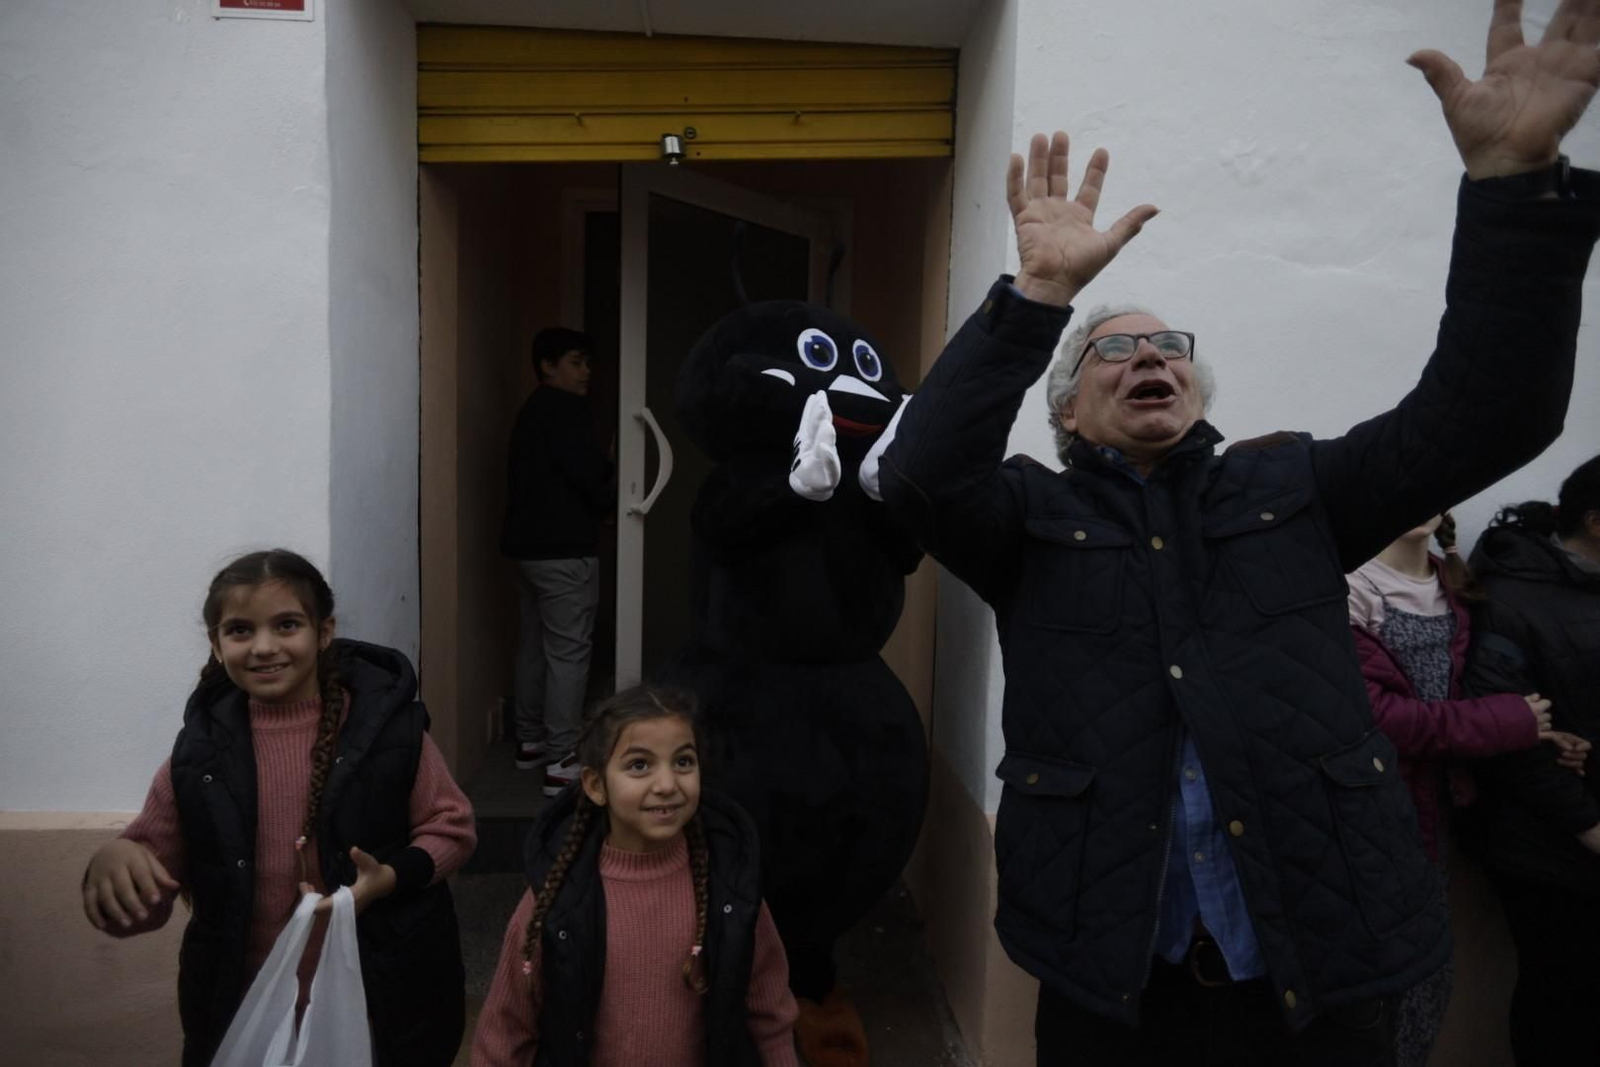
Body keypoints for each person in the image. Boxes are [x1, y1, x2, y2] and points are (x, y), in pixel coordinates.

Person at [876, 2, 1600, 1062]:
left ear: (1196, 385)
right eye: (1110, 354)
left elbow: (1490, 412)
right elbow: (918, 477)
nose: (1145, 356)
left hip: (1312, 961)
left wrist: (1512, 190)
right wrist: (1035, 300)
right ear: (1067, 411)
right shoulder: (1030, 514)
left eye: (1167, 345)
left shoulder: (1294, 484)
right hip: (1111, 970)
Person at [81, 549, 477, 1067]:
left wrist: (389, 878)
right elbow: (143, 895)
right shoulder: (198, 756)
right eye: (241, 630)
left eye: (287, 624)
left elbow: (453, 828)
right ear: (217, 644)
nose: (264, 647)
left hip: (381, 1002)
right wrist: (111, 867)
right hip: (246, 1008)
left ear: (324, 630)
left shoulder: (388, 732)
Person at [1347, 512, 1583, 1067]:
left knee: (1433, 979)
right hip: (1377, 813)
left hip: (1449, 811)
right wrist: (1508, 723)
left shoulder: (1452, 580)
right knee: (1382, 989)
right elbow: (1374, 717)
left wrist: (1539, 734)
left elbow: (1465, 694)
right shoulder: (1349, 587)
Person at [471, 684, 798, 1066]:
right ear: (596, 786)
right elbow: (505, 1032)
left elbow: (770, 1015)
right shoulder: (558, 897)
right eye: (639, 765)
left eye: (683, 762)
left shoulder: (729, 886)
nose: (667, 785)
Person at [1463, 453, 1600, 1065]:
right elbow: (1509, 738)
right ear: (1596, 522)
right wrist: (1592, 829)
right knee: (1565, 1002)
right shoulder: (1511, 597)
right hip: (1549, 850)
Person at [501, 326, 613, 794]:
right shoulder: (567, 411)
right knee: (568, 651)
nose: (586, 371)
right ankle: (563, 757)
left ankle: (530, 742)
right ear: (547, 366)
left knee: (535, 643)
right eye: (575, 361)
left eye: (587, 362)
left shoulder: (531, 411)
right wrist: (610, 481)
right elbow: (587, 474)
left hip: (528, 549)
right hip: (565, 550)